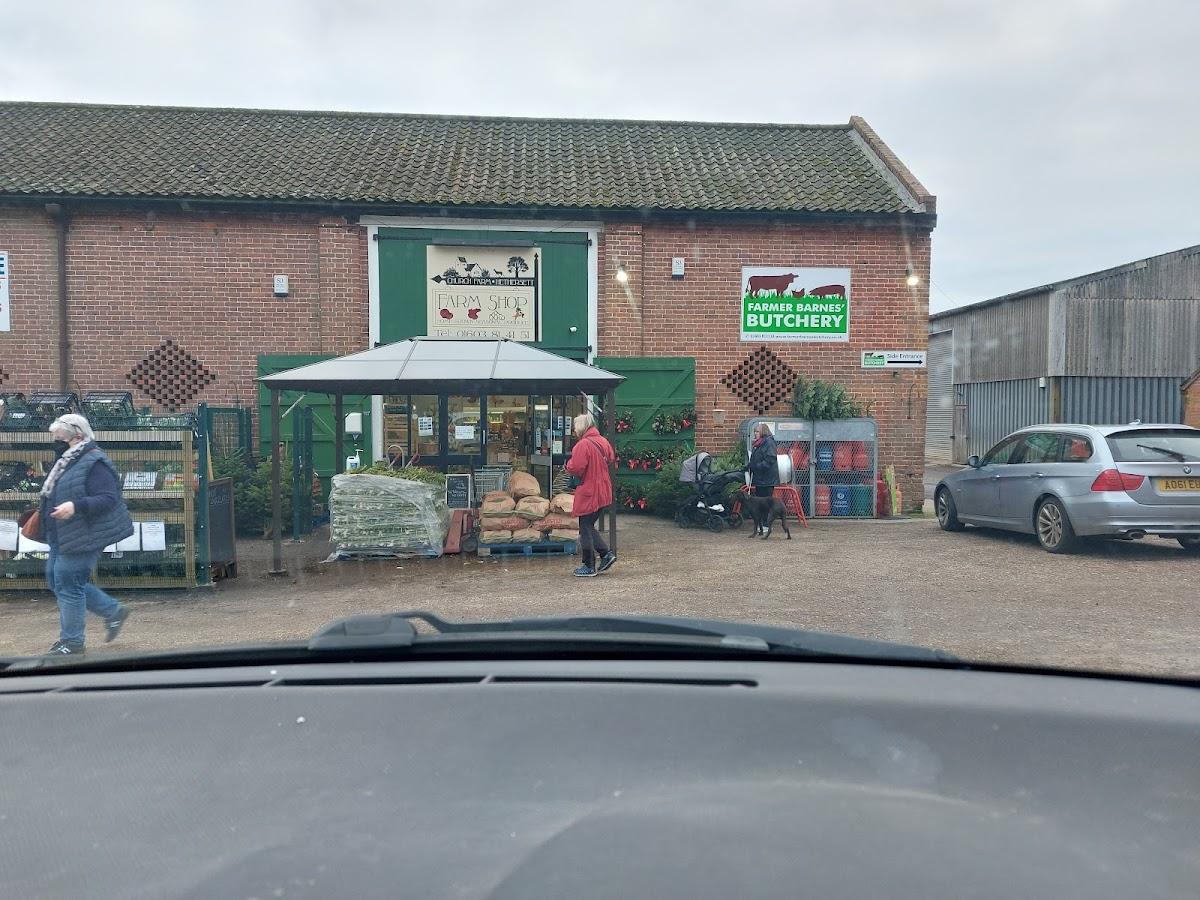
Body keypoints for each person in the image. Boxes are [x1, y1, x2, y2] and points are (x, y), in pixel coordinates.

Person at [38, 414, 134, 656]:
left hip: (85, 534)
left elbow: (109, 498)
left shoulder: (94, 461)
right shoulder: (67, 460)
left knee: (69, 583)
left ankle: (72, 642)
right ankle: (113, 611)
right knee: (55, 579)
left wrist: (75, 506)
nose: (56, 442)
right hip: (62, 533)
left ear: (78, 436)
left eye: (60, 438)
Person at [564, 412, 616, 577]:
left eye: (575, 427)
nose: (574, 430)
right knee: (588, 525)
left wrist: (568, 465)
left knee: (584, 528)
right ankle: (606, 555)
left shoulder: (582, 445)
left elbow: (576, 467)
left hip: (589, 490)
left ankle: (589, 565)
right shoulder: (603, 441)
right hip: (603, 489)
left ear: (580, 427)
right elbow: (611, 458)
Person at [747, 422, 780, 534]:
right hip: (760, 478)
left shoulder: (768, 443)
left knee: (765, 503)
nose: (755, 434)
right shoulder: (759, 444)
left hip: (767, 479)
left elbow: (770, 459)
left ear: (762, 432)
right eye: (755, 431)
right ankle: (762, 524)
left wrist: (757, 467)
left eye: (757, 431)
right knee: (760, 502)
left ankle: (766, 524)